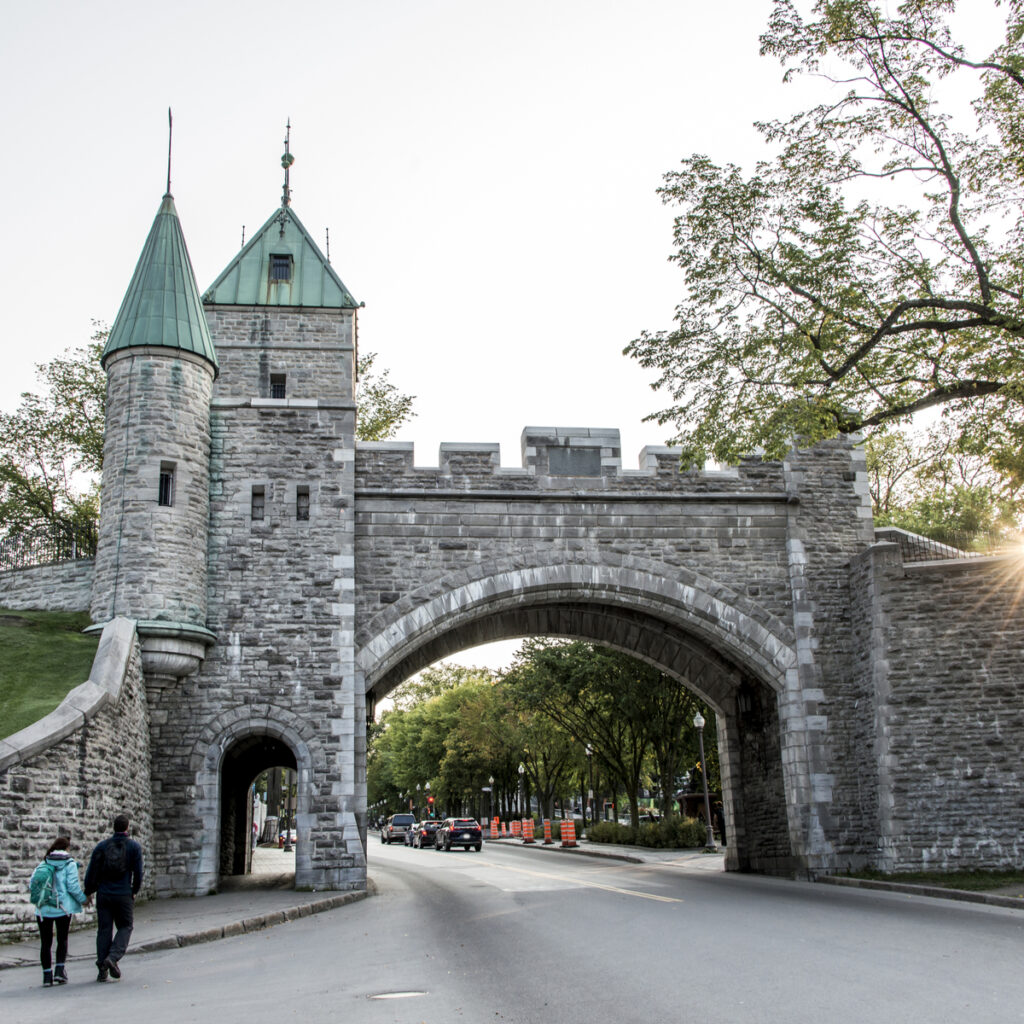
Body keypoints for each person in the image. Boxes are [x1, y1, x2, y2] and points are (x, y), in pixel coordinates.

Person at [84, 813, 144, 983]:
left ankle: (102, 968)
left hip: (104, 893)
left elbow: (92, 871)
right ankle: (113, 957)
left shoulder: (102, 847)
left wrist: (89, 890)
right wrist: (134, 889)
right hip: (123, 893)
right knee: (125, 926)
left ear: (113, 827)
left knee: (104, 929)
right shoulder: (133, 847)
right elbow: (138, 872)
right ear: (127, 828)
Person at [29, 836, 91, 986]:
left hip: (43, 909)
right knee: (62, 940)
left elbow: (32, 884)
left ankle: (46, 976)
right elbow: (73, 887)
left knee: (45, 942)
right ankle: (59, 971)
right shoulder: (69, 864)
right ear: (67, 848)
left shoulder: (43, 862)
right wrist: (84, 900)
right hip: (62, 909)